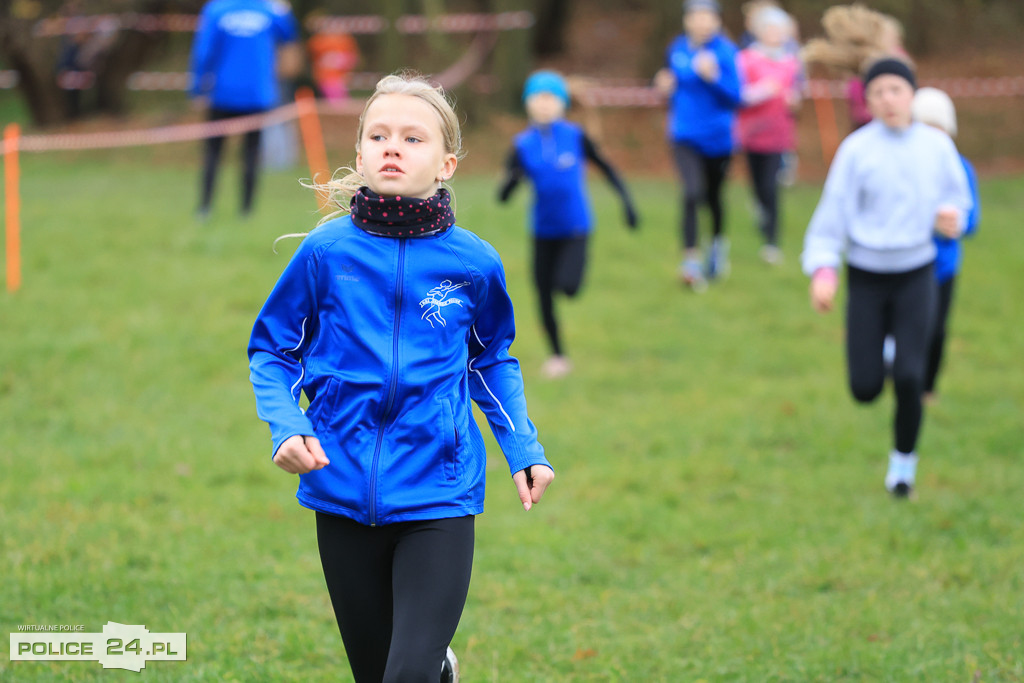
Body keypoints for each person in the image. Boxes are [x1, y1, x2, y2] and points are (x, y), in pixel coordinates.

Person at [248, 72, 555, 683]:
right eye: (378, 135)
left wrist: (522, 446)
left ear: (446, 163)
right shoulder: (326, 252)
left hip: (438, 489)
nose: (392, 147)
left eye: (412, 138)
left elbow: (490, 360)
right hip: (340, 486)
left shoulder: (473, 263)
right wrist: (286, 426)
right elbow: (272, 350)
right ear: (359, 153)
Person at [801, 58, 972, 498]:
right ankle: (887, 353)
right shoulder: (857, 150)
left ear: (912, 94)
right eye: (877, 93)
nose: (888, 99)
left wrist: (954, 218)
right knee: (864, 388)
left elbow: (960, 199)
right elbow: (830, 216)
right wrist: (823, 268)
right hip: (867, 277)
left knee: (913, 378)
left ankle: (902, 468)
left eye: (896, 89)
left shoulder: (936, 148)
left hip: (917, 273)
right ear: (868, 102)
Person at [497, 70, 637, 379]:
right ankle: (558, 356)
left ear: (561, 104)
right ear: (527, 103)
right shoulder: (522, 144)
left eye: (551, 98)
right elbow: (504, 195)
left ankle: (571, 286)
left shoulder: (575, 136)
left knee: (568, 287)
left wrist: (627, 203)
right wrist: (512, 181)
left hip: (576, 226)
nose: (544, 104)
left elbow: (607, 168)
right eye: (538, 98)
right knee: (543, 294)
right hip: (542, 230)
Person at [654, 0, 742, 291]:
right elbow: (670, 85)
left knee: (714, 197)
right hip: (684, 136)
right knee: (692, 193)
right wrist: (664, 87)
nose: (702, 22)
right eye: (696, 16)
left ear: (717, 21)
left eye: (708, 17)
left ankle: (716, 245)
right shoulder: (677, 48)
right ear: (687, 20)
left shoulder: (726, 52)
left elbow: (736, 97)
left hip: (718, 140)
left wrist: (713, 77)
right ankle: (691, 260)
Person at [189, 0, 299, 219]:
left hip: (222, 92)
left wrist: (198, 88)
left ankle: (205, 208)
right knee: (250, 154)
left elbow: (204, 50)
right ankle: (246, 211)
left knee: (213, 152)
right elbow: (290, 37)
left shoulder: (217, 9)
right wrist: (285, 12)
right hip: (255, 94)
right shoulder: (271, 10)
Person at [911, 87, 981, 403]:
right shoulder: (905, 166)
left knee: (936, 328)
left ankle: (927, 386)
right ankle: (899, 371)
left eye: (937, 127)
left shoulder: (961, 167)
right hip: (908, 262)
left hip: (943, 266)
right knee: (906, 323)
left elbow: (972, 217)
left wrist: (955, 223)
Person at [736, 6, 803, 264]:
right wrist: (762, 91)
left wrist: (793, 101)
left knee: (770, 186)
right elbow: (738, 95)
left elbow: (797, 93)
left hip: (779, 135)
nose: (775, 34)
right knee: (757, 187)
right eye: (770, 29)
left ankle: (771, 243)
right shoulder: (746, 59)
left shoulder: (791, 63)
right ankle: (762, 215)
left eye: (779, 30)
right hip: (752, 133)